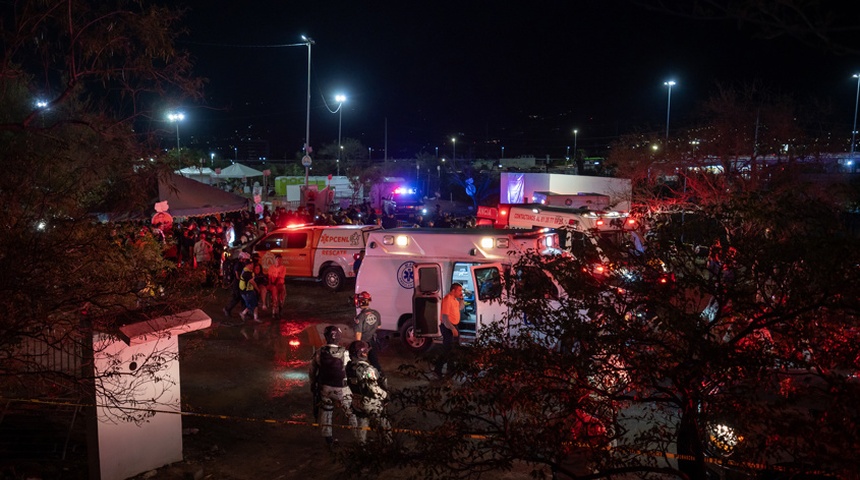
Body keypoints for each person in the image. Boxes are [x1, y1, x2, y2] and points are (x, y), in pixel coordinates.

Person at [309, 326, 358, 447]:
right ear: (339, 338)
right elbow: (350, 370)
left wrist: (313, 384)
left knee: (326, 411)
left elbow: (312, 371)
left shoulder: (319, 352)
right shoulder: (344, 353)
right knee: (350, 412)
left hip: (325, 387)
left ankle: (328, 439)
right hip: (341, 388)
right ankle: (359, 437)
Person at [346, 340, 391, 445]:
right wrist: (386, 395)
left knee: (362, 423)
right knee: (384, 423)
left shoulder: (349, 367)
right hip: (369, 402)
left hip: (356, 401)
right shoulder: (368, 369)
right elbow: (374, 389)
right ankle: (388, 444)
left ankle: (361, 446)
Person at [434, 282, 464, 377]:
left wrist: (461, 299)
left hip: (454, 326)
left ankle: (451, 370)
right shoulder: (447, 299)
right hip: (448, 327)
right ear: (453, 290)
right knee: (447, 350)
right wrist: (452, 328)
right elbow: (445, 317)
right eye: (459, 290)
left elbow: (461, 307)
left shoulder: (455, 299)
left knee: (454, 349)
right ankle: (437, 370)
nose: (461, 292)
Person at [353, 291, 384, 375]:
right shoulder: (376, 313)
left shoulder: (359, 317)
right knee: (374, 361)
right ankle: (381, 377)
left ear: (359, 302)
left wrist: (357, 346)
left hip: (363, 343)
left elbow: (358, 333)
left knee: (360, 363)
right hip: (372, 341)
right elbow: (378, 326)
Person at [223, 252, 250, 324]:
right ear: (242, 259)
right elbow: (237, 275)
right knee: (237, 297)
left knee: (243, 298)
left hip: (241, 283)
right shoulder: (238, 264)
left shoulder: (242, 264)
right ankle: (227, 309)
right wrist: (242, 280)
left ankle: (244, 313)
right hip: (237, 283)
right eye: (245, 259)